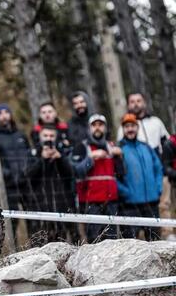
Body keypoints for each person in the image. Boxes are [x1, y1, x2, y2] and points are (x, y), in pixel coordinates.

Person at [117, 93, 172, 237]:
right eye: (127, 126)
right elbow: (115, 172)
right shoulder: (120, 148)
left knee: (155, 234)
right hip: (131, 200)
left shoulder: (155, 125)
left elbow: (166, 147)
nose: (130, 129)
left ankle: (168, 240)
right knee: (132, 239)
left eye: (138, 100)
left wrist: (158, 187)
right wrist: (125, 192)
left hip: (152, 194)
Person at [70, 114, 123, 243]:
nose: (97, 128)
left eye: (100, 125)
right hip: (91, 202)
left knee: (112, 240)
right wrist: (91, 158)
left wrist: (120, 157)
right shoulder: (82, 147)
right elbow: (76, 171)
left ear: (105, 128)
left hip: (111, 201)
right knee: (94, 240)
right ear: (89, 128)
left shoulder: (112, 146)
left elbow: (121, 173)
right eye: (94, 125)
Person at [25, 125, 76, 242]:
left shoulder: (62, 152)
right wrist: (42, 159)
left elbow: (71, 174)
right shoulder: (33, 153)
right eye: (45, 135)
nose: (48, 138)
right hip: (40, 207)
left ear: (56, 137)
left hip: (61, 207)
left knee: (62, 242)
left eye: (52, 136)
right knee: (40, 242)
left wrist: (60, 158)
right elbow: (27, 175)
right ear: (40, 137)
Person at [0, 104, 31, 227]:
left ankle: (37, 240)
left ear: (11, 114)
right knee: (12, 222)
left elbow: (30, 155)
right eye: (0, 113)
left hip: (26, 183)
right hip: (8, 186)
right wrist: (5, 174)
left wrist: (28, 171)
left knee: (32, 218)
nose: (4, 116)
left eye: (6, 112)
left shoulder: (21, 135)